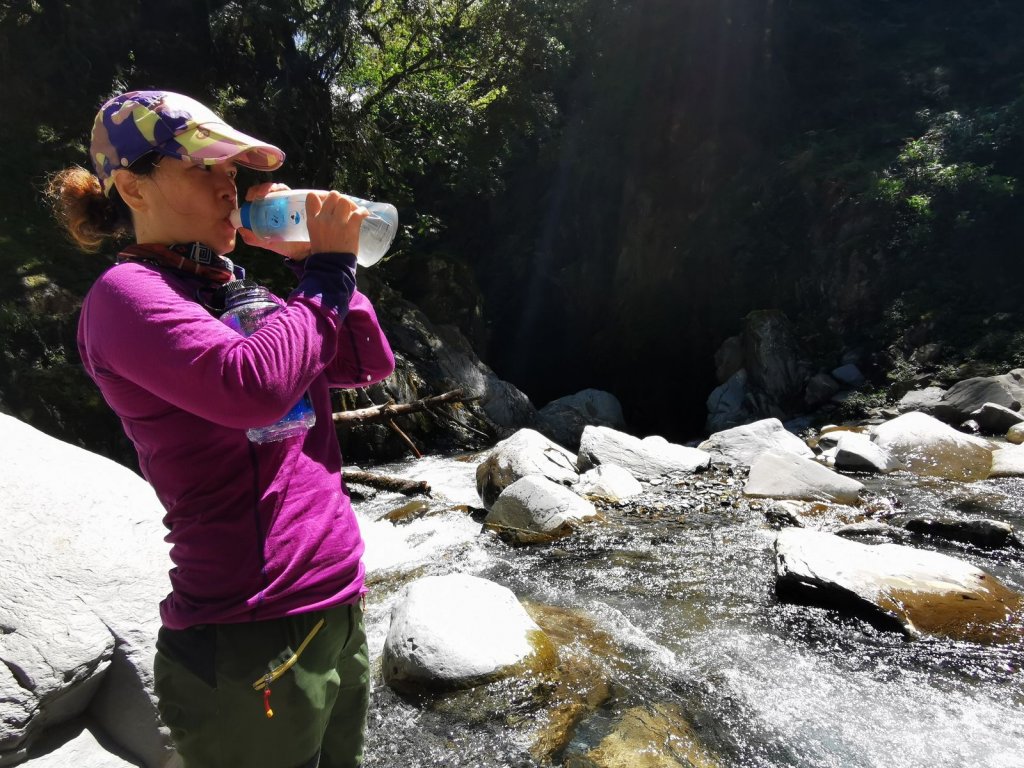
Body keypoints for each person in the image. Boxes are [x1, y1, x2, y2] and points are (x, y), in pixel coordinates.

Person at [47, 89, 395, 768]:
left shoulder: (243, 289)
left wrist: (305, 260)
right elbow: (253, 387)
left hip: (335, 601)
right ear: (131, 186)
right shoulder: (126, 299)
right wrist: (325, 271)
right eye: (205, 166)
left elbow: (361, 359)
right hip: (246, 634)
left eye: (232, 170)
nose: (229, 183)